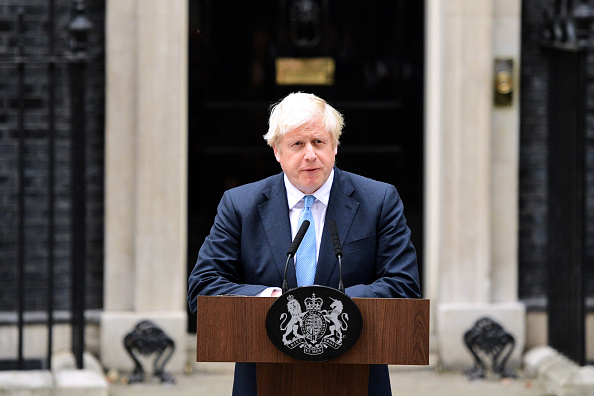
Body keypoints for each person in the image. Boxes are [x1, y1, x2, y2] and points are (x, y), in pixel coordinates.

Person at [187, 92, 420, 396]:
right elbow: (202, 289)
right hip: (265, 380)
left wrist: (333, 306)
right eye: (297, 144)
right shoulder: (240, 206)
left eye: (319, 142)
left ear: (335, 146)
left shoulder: (378, 201)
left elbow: (404, 286)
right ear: (276, 151)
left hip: (356, 379)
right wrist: (271, 299)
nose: (310, 154)